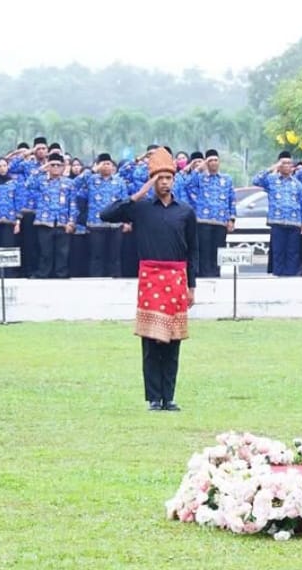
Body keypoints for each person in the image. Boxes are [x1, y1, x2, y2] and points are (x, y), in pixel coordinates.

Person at [100, 148, 198, 412]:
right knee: (151, 340)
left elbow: (193, 251)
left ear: (174, 180)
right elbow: (106, 214)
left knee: (173, 341)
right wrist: (138, 194)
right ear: (153, 181)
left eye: (168, 178)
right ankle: (154, 397)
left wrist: (192, 286)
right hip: (151, 278)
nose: (164, 183)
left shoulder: (185, 212)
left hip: (176, 278)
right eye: (159, 178)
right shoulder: (141, 209)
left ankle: (169, 397)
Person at [253, 151, 302, 276]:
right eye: (284, 163)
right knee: (278, 251)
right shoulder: (271, 180)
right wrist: (271, 168)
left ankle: (290, 276)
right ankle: (278, 276)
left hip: (294, 222)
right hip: (277, 221)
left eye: (289, 163)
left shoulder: (297, 184)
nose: (287, 166)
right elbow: (256, 180)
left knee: (292, 252)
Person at [184, 149, 236, 279]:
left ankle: (216, 274)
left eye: (215, 160)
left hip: (221, 220)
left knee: (218, 250)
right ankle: (204, 276)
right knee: (204, 249)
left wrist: (232, 219)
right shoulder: (200, 178)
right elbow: (187, 184)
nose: (213, 163)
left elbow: (231, 199)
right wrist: (198, 168)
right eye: (210, 160)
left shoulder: (226, 179)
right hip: (203, 220)